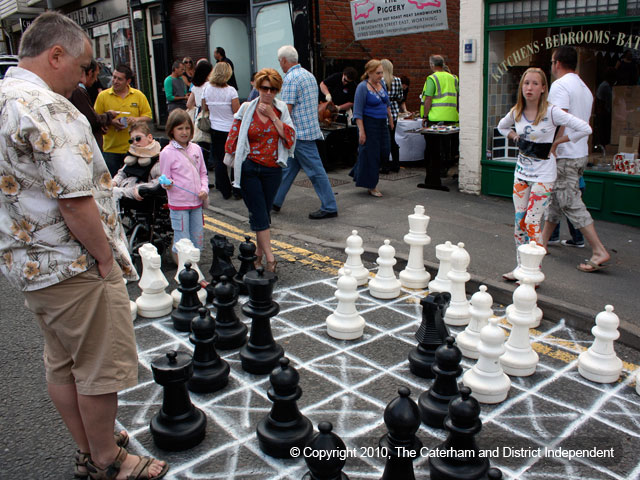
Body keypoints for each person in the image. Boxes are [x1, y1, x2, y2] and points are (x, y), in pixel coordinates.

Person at [0, 11, 168, 479]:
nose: (86, 76)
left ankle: (89, 446)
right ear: (55, 55)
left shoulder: (3, 98)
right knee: (98, 369)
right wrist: (104, 260)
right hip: (74, 266)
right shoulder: (50, 107)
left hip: (30, 266)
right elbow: (76, 204)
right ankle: (108, 461)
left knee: (63, 364)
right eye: (83, 65)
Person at [497, 67, 592, 281]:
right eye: (526, 83)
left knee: (532, 221)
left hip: (543, 176)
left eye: (534, 84)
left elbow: (584, 128)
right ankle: (520, 267)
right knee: (519, 222)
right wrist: (514, 137)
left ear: (543, 88)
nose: (529, 88)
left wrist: (557, 142)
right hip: (521, 175)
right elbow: (502, 127)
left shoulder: (552, 112)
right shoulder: (517, 112)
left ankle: (534, 271)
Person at [541, 46, 610, 273]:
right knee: (556, 198)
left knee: (569, 201)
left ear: (557, 63)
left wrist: (553, 146)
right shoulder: (584, 88)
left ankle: (599, 250)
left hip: (565, 154)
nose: (552, 66)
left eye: (552, 62)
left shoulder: (560, 86)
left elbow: (559, 120)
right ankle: (542, 242)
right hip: (579, 152)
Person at [224, 68, 295, 273]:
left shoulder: (281, 110)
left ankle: (257, 256)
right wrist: (228, 161)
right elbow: (233, 136)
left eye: (273, 89)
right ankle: (271, 259)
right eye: (264, 88)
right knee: (258, 212)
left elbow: (290, 139)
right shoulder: (247, 108)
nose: (268, 93)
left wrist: (273, 116)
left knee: (262, 213)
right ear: (257, 87)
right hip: (249, 168)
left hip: (273, 170)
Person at [273, 45, 338, 219]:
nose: (280, 64)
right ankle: (275, 200)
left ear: (285, 60)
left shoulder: (290, 79)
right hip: (309, 129)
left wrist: (276, 127)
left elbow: (286, 109)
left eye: (280, 61)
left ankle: (330, 206)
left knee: (316, 172)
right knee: (288, 168)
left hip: (298, 134)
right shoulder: (309, 76)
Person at [159, 109, 209, 256]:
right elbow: (164, 178)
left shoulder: (196, 149)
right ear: (171, 130)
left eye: (187, 128)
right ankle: (185, 273)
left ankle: (195, 271)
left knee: (198, 240)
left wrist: (204, 189)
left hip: (197, 202)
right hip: (179, 204)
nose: (184, 132)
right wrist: (167, 183)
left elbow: (203, 173)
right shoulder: (167, 153)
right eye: (180, 128)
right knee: (183, 242)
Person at [94, 64, 153, 177]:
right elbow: (96, 119)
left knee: (133, 182)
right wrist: (111, 122)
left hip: (134, 148)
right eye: (114, 77)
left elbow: (148, 116)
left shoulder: (138, 95)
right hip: (110, 150)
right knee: (112, 184)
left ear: (128, 81)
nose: (115, 81)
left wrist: (136, 119)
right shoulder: (103, 96)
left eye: (119, 79)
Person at [350, 59, 393, 197]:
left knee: (385, 151)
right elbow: (358, 111)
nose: (381, 76)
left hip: (382, 124)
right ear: (369, 73)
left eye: (381, 73)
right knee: (372, 155)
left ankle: (359, 171)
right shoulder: (362, 87)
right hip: (369, 124)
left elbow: (387, 103)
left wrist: (391, 119)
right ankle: (372, 185)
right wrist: (362, 132)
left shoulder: (382, 85)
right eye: (378, 73)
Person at [419, 55, 460, 191]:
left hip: (436, 118)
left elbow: (428, 98)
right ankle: (442, 171)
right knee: (446, 148)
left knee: (432, 150)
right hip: (452, 117)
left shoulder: (432, 78)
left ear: (432, 65)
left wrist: (425, 116)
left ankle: (433, 178)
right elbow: (458, 97)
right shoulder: (453, 78)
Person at [202, 61, 240, 200]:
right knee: (235, 159)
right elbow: (237, 112)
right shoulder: (231, 91)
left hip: (215, 128)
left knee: (219, 160)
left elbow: (204, 107)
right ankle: (237, 189)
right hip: (231, 130)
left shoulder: (207, 89)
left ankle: (225, 190)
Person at [69, 59, 116, 150]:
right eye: (96, 76)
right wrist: (109, 115)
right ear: (90, 73)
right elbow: (91, 120)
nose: (96, 80)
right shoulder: (78, 91)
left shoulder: (78, 90)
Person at [112, 121, 162, 202]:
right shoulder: (131, 157)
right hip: (123, 190)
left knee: (115, 192)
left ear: (149, 137)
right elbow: (121, 173)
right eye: (132, 140)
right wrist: (114, 182)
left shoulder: (158, 158)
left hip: (140, 194)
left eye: (138, 138)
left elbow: (158, 183)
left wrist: (140, 188)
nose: (135, 142)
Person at [186, 60, 214, 168]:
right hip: (209, 115)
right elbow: (206, 105)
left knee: (202, 144)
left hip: (199, 116)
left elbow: (189, 104)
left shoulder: (195, 86)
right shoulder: (209, 85)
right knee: (211, 143)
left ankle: (203, 171)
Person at [380, 59, 403, 173]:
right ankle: (396, 164)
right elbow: (400, 96)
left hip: (381, 112)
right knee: (392, 138)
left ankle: (384, 165)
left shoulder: (380, 81)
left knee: (383, 140)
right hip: (394, 112)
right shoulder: (398, 80)